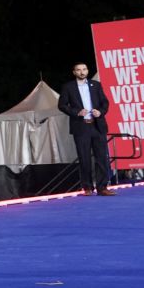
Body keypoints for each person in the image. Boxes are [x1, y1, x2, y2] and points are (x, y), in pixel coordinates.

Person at [57, 62, 116, 196]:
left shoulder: (96, 85)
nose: (82, 72)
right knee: (84, 158)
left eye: (84, 69)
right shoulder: (68, 87)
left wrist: (100, 112)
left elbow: (105, 103)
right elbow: (62, 105)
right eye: (78, 70)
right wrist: (76, 112)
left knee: (102, 157)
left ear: (88, 71)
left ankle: (102, 187)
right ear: (74, 72)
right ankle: (87, 187)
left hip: (97, 126)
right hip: (81, 126)